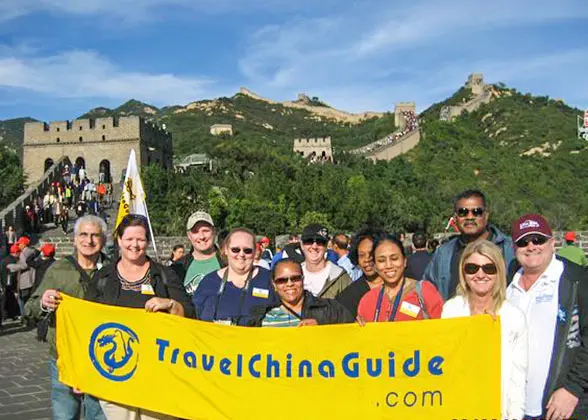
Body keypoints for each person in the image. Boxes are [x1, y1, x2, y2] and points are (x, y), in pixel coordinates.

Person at [86, 214, 192, 419]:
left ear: (148, 242)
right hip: (116, 373)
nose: (134, 245)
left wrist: (170, 304)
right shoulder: (104, 277)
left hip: (158, 373)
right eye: (129, 239)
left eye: (140, 239)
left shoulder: (165, 275)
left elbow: (190, 313)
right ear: (119, 240)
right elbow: (88, 321)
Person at [25, 215, 109, 420]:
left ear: (103, 240)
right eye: (83, 235)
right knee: (65, 415)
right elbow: (30, 308)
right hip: (64, 356)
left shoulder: (114, 270)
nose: (89, 241)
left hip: (102, 359)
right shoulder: (58, 269)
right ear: (74, 238)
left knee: (99, 416)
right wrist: (43, 302)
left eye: (95, 235)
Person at [506, 214, 588, 419]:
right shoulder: (506, 283)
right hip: (513, 406)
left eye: (538, 239)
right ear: (514, 248)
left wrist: (572, 388)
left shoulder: (576, 280)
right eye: (523, 242)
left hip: (560, 406)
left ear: (552, 243)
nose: (531, 246)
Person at [442, 240, 527, 420]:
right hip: (459, 409)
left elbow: (518, 378)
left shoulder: (513, 316)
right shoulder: (451, 310)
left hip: (499, 411)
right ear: (463, 273)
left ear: (499, 272)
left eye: (489, 268)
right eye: (472, 268)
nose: (480, 274)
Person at [423, 189, 515, 300]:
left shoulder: (511, 249)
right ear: (456, 218)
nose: (470, 217)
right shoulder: (443, 253)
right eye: (463, 212)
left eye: (477, 212)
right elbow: (426, 292)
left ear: (486, 215)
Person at [193, 228, 276, 325]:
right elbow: (193, 320)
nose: (241, 254)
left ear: (254, 252)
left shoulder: (270, 279)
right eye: (235, 250)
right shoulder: (208, 282)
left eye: (247, 250)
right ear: (226, 250)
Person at [357, 234, 443, 322]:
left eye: (394, 258)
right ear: (375, 266)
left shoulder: (425, 292)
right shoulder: (368, 301)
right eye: (381, 260)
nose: (389, 265)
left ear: (405, 261)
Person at [249, 259, 354, 327]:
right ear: (274, 285)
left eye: (295, 278)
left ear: (303, 279)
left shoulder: (330, 308)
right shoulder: (261, 316)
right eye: (282, 280)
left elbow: (352, 333)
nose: (289, 284)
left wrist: (322, 327)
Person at [336, 227, 384, 317]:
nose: (367, 259)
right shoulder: (348, 296)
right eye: (361, 255)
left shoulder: (400, 286)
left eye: (371, 254)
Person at [172, 211, 222, 296]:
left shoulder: (228, 262)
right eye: (195, 231)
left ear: (214, 231)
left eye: (205, 230)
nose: (201, 236)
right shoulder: (177, 268)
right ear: (189, 235)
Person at [300, 223, 352, 299]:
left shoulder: (341, 277)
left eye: (320, 242)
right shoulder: (293, 275)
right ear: (301, 245)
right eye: (309, 241)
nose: (314, 246)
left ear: (327, 245)